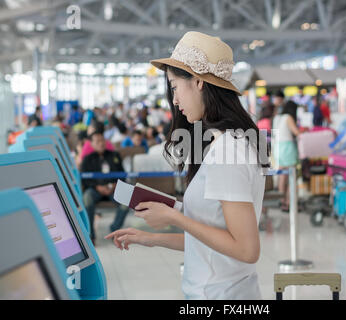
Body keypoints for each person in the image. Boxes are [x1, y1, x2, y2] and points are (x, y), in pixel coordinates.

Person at [106, 31, 269, 300]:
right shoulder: (226, 143)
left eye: (174, 86)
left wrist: (174, 217)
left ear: (198, 82)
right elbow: (215, 242)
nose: (175, 99)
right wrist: (150, 238)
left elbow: (247, 249)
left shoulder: (228, 149)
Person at [81, 131, 129, 244]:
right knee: (87, 197)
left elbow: (123, 175)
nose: (101, 143)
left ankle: (114, 229)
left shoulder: (114, 155)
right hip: (95, 190)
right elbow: (85, 180)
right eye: (97, 141)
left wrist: (114, 185)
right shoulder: (87, 159)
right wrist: (97, 187)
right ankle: (91, 234)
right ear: (92, 144)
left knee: (126, 200)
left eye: (102, 140)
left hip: (113, 189)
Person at [272, 100, 300, 211]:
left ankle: (281, 200)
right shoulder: (288, 117)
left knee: (282, 176)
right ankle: (289, 202)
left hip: (277, 148)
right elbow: (296, 132)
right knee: (292, 176)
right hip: (287, 148)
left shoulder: (277, 118)